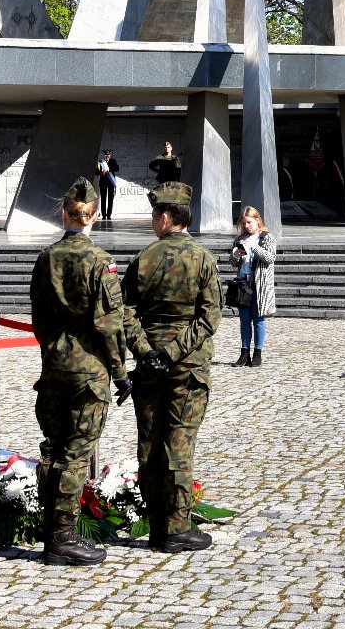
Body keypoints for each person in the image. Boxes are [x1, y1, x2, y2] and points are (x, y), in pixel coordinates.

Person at [29, 177, 133, 566]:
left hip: (54, 363)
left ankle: (49, 528)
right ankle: (62, 536)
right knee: (75, 452)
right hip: (88, 369)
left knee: (53, 448)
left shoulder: (47, 257)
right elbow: (108, 325)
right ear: (93, 217)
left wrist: (53, 347)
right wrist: (120, 372)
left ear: (64, 215)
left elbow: (38, 315)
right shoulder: (99, 261)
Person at [122, 181, 221, 552]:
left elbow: (125, 313)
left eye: (153, 215)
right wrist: (173, 352)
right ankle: (176, 528)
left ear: (165, 217)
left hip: (149, 367)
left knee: (148, 443)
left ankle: (157, 524)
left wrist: (148, 351)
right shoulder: (203, 259)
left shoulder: (142, 259)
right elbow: (209, 317)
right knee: (178, 444)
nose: (152, 221)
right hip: (187, 365)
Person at [228, 206, 276, 368]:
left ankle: (257, 354)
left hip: (259, 284)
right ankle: (244, 353)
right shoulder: (240, 239)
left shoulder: (267, 237)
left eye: (249, 222)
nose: (247, 226)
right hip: (243, 284)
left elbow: (270, 258)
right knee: (244, 321)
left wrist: (254, 247)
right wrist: (235, 254)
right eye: (244, 223)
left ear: (257, 219)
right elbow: (233, 262)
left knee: (258, 320)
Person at [95, 150, 119, 220]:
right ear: (104, 155)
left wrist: (109, 169)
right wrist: (101, 171)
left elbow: (117, 169)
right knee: (103, 199)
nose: (107, 156)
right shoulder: (100, 162)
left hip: (111, 182)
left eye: (108, 155)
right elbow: (96, 173)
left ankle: (109, 214)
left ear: (110, 155)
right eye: (105, 155)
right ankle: (104, 215)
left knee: (110, 199)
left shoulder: (113, 161)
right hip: (103, 183)